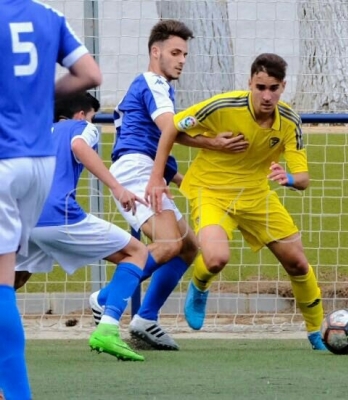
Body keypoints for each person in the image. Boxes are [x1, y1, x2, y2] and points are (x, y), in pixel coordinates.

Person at [149, 53, 327, 350]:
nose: (266, 95)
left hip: (256, 196)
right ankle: (200, 283)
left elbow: (304, 177)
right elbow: (172, 128)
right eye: (260, 87)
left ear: (283, 86)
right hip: (212, 192)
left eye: (273, 88)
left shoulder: (290, 121)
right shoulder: (223, 106)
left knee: (297, 263)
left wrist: (290, 179)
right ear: (249, 84)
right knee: (217, 258)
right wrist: (203, 147)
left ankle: (316, 331)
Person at [91, 19, 247, 350]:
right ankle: (107, 301)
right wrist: (213, 143)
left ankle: (145, 319)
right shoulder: (153, 83)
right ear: (155, 51)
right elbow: (169, 129)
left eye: (185, 55)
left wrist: (175, 178)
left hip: (143, 167)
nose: (181, 60)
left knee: (188, 246)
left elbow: (158, 135)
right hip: (137, 170)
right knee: (168, 244)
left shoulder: (158, 86)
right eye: (175, 52)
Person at [1, 1, 101, 397]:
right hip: (39, 162)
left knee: (2, 287)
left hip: (4, 160)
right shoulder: (49, 15)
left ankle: (19, 393)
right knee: (5, 280)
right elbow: (91, 73)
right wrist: (38, 98)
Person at [15, 93, 151, 362]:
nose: (92, 123)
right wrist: (117, 187)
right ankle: (108, 328)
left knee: (12, 283)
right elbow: (79, 146)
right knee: (136, 252)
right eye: (92, 117)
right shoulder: (80, 127)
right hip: (57, 215)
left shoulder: (36, 132)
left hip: (22, 217)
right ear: (81, 114)